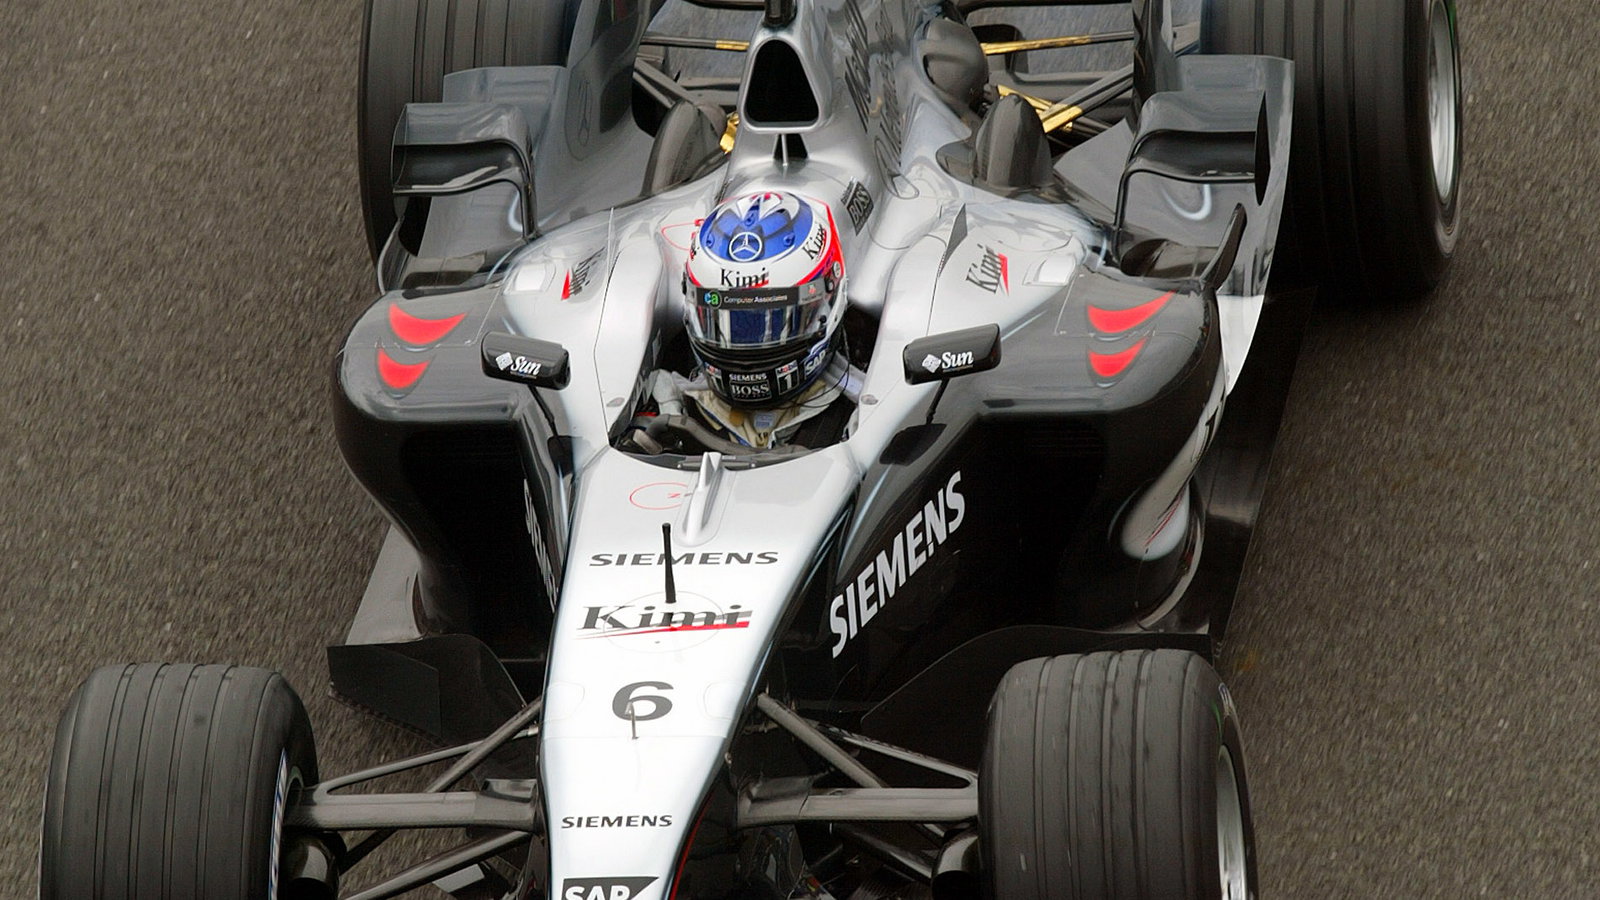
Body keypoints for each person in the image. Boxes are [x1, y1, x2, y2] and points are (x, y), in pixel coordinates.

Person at [644, 190, 860, 451]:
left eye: (774, 322)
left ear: (829, 302)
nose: (747, 349)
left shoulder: (864, 410)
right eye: (733, 324)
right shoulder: (668, 395)